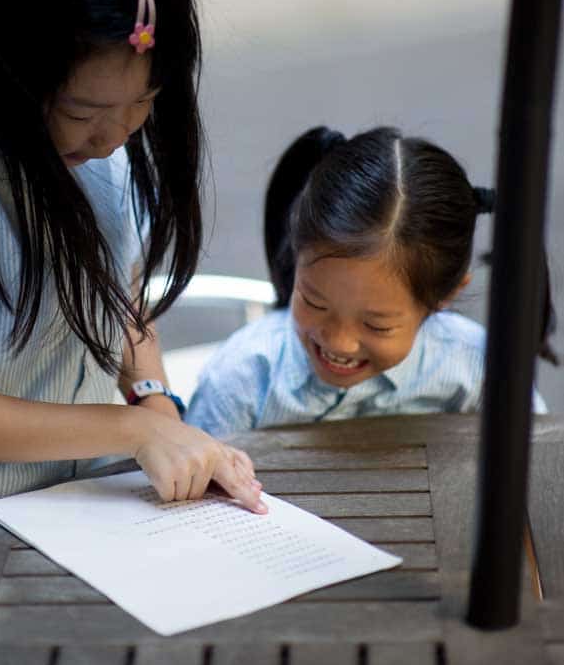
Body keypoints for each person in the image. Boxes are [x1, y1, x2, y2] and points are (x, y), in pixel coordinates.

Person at [0, 0, 266, 573]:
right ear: (9, 72)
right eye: (81, 112)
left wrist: (154, 404)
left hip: (74, 521)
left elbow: (121, 294)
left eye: (144, 101)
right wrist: (131, 431)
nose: (114, 135)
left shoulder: (104, 162)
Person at [186, 126, 553, 436]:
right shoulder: (243, 381)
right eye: (314, 302)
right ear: (295, 259)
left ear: (443, 295)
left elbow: (536, 467)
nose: (338, 341)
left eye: (377, 325)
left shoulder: (478, 372)